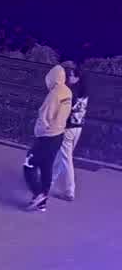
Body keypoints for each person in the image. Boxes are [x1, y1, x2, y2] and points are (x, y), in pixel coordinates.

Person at [23, 63, 73, 211]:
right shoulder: (67, 92)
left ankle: (39, 195)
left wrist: (40, 130)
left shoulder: (54, 94)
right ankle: (42, 202)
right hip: (58, 135)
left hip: (46, 136)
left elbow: (44, 115)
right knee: (46, 167)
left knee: (29, 165)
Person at [53, 62, 89, 202]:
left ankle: (70, 190)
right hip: (78, 127)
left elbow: (65, 109)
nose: (69, 78)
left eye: (72, 76)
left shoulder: (71, 91)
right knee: (61, 157)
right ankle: (49, 181)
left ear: (77, 78)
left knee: (66, 159)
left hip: (68, 128)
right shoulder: (84, 91)